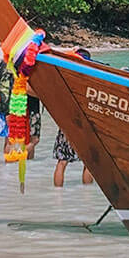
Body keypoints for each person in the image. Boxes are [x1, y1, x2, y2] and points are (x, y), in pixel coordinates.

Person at [53, 50, 94, 187]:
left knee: (62, 161)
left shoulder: (65, 77)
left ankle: (57, 195)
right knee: (90, 162)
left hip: (67, 122)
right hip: (84, 123)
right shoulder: (90, 79)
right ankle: (87, 194)